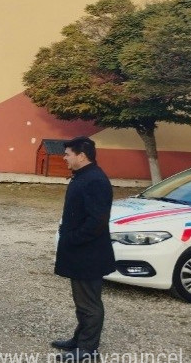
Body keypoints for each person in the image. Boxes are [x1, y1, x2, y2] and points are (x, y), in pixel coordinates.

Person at [51, 136, 115, 361]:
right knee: (82, 302)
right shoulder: (84, 177)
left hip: (88, 254)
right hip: (80, 253)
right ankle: (79, 339)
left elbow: (97, 221)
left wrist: (72, 239)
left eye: (68, 154)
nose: (64, 157)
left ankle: (87, 349)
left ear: (82, 155)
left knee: (90, 303)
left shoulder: (95, 180)